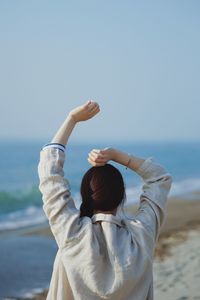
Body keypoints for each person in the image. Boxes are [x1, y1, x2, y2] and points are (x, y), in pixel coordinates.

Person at [38, 100, 172, 300]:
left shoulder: (72, 233)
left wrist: (72, 119)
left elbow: (49, 173)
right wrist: (118, 156)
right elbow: (159, 178)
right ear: (121, 196)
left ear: (86, 196)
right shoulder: (142, 235)